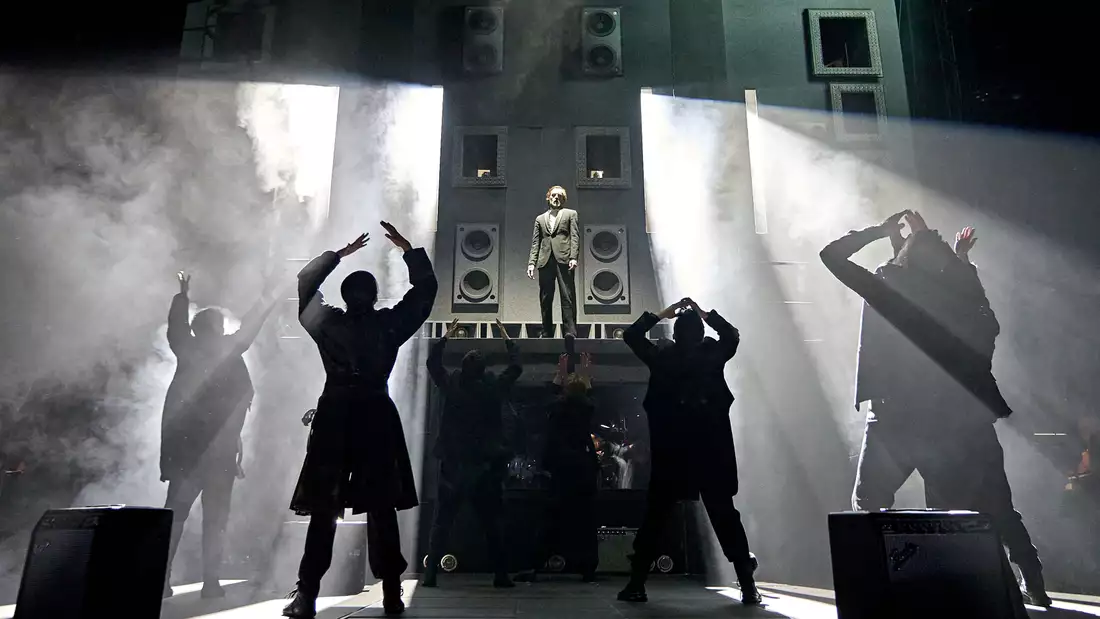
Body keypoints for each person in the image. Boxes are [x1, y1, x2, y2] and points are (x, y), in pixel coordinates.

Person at [820, 211, 1051, 607]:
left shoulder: (889, 288)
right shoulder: (956, 300)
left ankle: (876, 590)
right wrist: (956, 259)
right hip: (952, 422)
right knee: (978, 508)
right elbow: (982, 316)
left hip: (896, 420)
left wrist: (882, 232)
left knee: (870, 505)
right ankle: (1013, 585)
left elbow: (832, 256)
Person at [283, 223, 437, 618]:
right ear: (373, 296)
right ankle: (391, 592)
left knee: (324, 508)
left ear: (345, 296)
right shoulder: (388, 326)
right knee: (381, 506)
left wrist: (338, 255)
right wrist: (409, 251)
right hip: (375, 415)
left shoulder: (328, 324)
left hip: (336, 414)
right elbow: (424, 294)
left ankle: (307, 594)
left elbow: (304, 284)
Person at [617, 298, 759, 604]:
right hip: (711, 453)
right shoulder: (712, 356)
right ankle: (748, 586)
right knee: (725, 517)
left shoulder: (662, 358)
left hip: (673, 453)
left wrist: (661, 314)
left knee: (655, 518)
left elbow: (631, 335)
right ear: (700, 333)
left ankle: (637, 584)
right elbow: (732, 335)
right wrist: (705, 313)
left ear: (676, 333)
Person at [161, 271, 278, 599]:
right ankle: (210, 583)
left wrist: (182, 295)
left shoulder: (186, 348)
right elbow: (251, 325)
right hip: (218, 454)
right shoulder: (228, 349)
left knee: (175, 517)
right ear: (218, 328)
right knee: (215, 520)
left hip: (186, 452)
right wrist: (267, 297)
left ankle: (162, 579)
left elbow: (176, 327)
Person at [422, 318, 522, 589]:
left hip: (454, 466)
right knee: (492, 523)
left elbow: (432, 364)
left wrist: (445, 338)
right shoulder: (492, 388)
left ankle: (431, 574)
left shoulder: (451, 385)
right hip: (483, 467)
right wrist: (507, 338)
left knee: (442, 522)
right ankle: (500, 575)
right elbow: (515, 368)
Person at [515, 351, 600, 583]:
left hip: (561, 473)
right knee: (585, 523)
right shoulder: (586, 409)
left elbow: (549, 399)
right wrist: (585, 374)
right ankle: (588, 569)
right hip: (583, 472)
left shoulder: (558, 408)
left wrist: (559, 376)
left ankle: (534, 566)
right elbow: (587, 399)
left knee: (549, 521)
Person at [527, 185, 580, 338]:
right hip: (545, 261)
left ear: (564, 199)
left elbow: (575, 237)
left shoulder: (571, 214)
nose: (556, 198)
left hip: (564, 259)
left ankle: (570, 331)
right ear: (548, 197)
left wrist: (573, 257)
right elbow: (536, 242)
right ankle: (546, 331)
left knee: (567, 296)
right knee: (545, 298)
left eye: (560, 196)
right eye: (554, 195)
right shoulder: (540, 219)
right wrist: (531, 263)